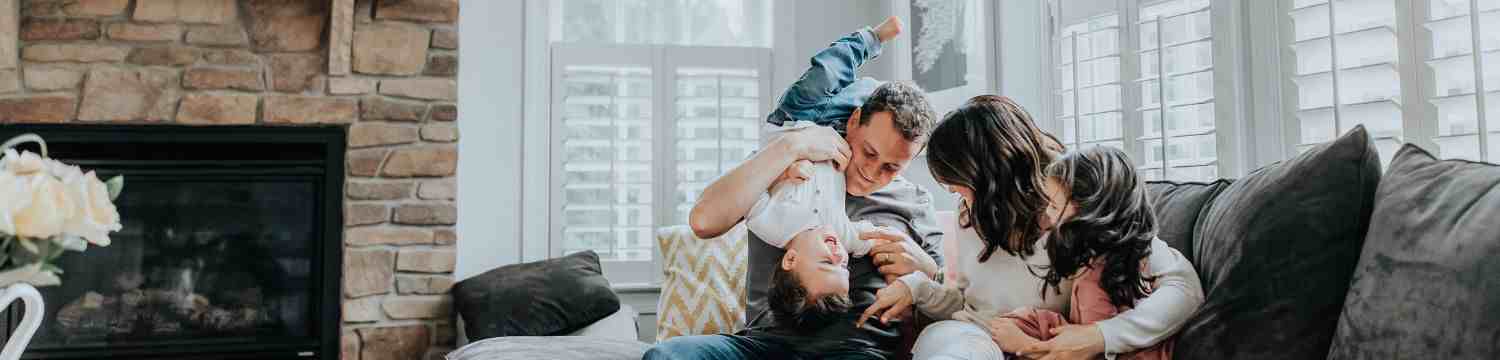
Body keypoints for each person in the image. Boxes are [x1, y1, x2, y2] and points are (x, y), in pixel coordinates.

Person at [644, 16, 943, 360]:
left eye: (892, 167)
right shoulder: (787, 165)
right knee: (666, 356)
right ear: (853, 121)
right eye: (869, 152)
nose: (872, 172)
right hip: (764, 345)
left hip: (855, 350)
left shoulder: (915, 204)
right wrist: (792, 146)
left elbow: (948, 303)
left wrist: (926, 270)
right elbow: (703, 221)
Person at [860, 95, 1203, 360]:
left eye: (959, 185)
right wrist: (919, 287)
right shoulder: (972, 216)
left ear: (991, 175)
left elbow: (1184, 288)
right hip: (976, 338)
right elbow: (975, 308)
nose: (957, 197)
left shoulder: (1076, 203)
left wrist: (1100, 336)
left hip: (1040, 341)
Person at [991, 146, 1179, 360]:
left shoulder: (1096, 279)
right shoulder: (1132, 255)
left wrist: (1024, 345)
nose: (1048, 215)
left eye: (1054, 206)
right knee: (1028, 319)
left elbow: (1087, 355)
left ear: (1088, 210)